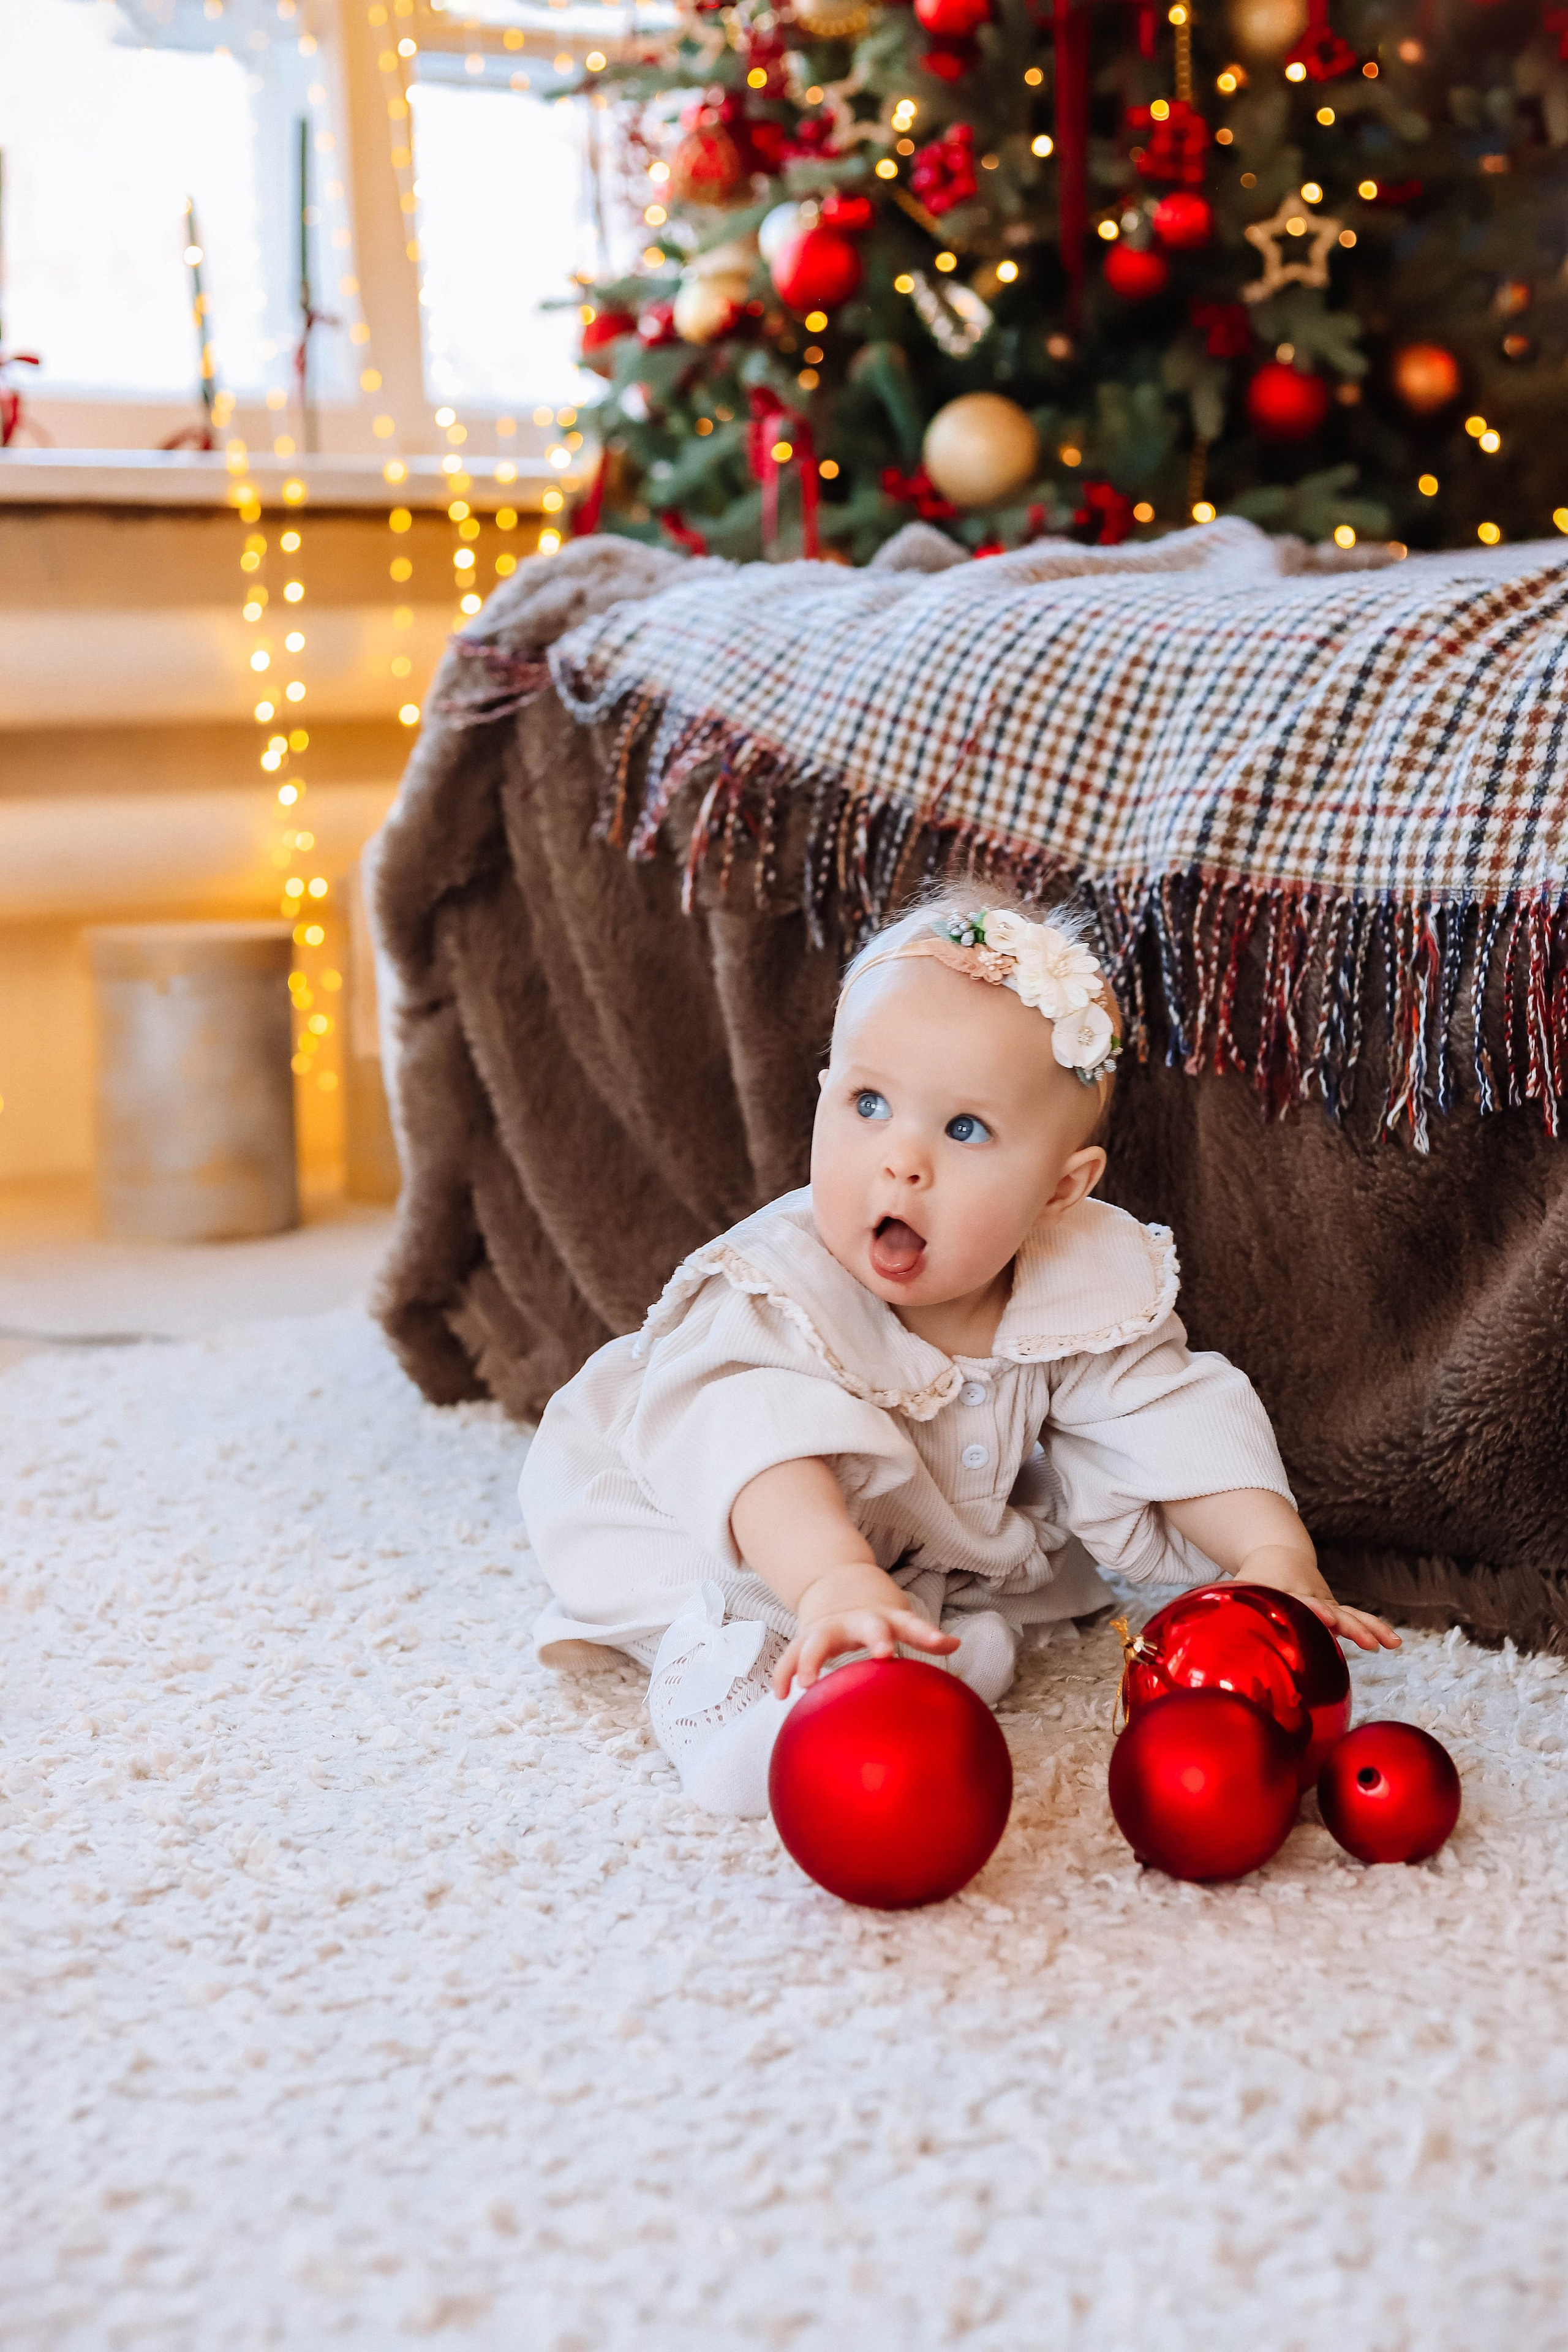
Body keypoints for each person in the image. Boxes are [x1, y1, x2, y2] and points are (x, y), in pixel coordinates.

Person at [520, 885, 1399, 1816]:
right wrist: (830, 1580)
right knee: (736, 1608)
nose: (902, 1161)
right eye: (868, 1103)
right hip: (700, 1506)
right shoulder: (780, 1288)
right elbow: (754, 1443)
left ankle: (915, 1640)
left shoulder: (1077, 1283)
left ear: (1060, 1190)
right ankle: (740, 1726)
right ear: (821, 1103)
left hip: (899, 1543)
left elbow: (1171, 1418)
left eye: (965, 1128)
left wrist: (1270, 1551)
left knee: (959, 1593)